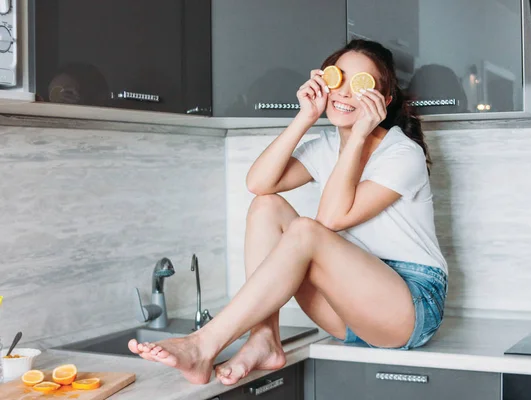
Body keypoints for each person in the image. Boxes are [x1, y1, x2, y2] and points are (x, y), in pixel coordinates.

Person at [127, 39, 448, 386]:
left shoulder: (402, 153)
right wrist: (306, 116)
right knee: (266, 206)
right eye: (337, 78)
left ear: (383, 101)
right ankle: (264, 338)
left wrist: (357, 137)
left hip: (410, 306)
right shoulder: (325, 146)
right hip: (346, 307)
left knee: (307, 231)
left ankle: (204, 344)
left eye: (361, 85)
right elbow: (258, 183)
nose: (344, 92)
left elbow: (329, 221)